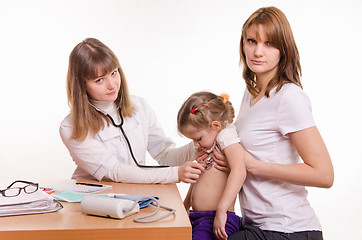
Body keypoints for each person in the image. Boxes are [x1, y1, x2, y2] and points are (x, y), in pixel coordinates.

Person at [218, 6, 334, 240]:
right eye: (251, 41)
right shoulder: (250, 94)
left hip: (288, 229)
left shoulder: (289, 96)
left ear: (284, 49)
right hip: (257, 224)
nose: (258, 51)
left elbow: (324, 174)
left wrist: (253, 166)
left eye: (269, 43)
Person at [60, 38, 204, 184]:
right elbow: (115, 171)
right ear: (81, 85)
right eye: (99, 80)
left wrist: (201, 145)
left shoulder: (140, 106)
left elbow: (164, 155)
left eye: (114, 73)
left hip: (137, 192)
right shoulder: (70, 127)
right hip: (94, 198)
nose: (112, 85)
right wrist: (175, 174)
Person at [177, 91, 246, 240]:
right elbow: (199, 179)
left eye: (198, 138)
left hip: (216, 218)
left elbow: (239, 170)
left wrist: (222, 210)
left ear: (216, 125)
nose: (195, 144)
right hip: (197, 217)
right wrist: (185, 206)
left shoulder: (226, 136)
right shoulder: (209, 145)